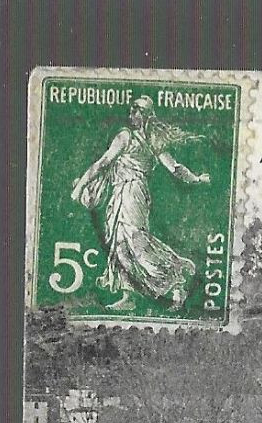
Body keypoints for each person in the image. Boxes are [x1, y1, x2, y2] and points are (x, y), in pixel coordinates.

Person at [69, 96, 211, 312]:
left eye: (135, 112)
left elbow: (174, 167)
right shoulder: (131, 137)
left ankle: (175, 277)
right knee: (120, 244)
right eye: (130, 111)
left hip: (133, 193)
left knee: (135, 241)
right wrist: (81, 186)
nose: (131, 116)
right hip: (120, 193)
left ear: (145, 115)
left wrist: (196, 179)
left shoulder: (134, 139)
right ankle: (130, 296)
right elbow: (104, 162)